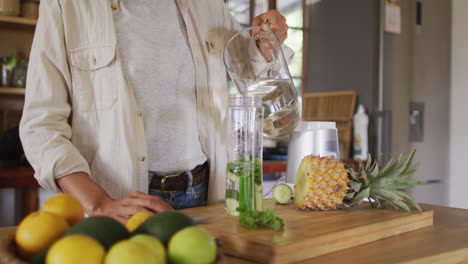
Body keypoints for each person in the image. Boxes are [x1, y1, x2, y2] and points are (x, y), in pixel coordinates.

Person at [19, 0, 290, 223]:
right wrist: (99, 203)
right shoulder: (66, 6)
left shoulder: (208, 4)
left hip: (206, 196)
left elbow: (248, 65)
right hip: (119, 203)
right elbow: (41, 127)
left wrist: (266, 43)